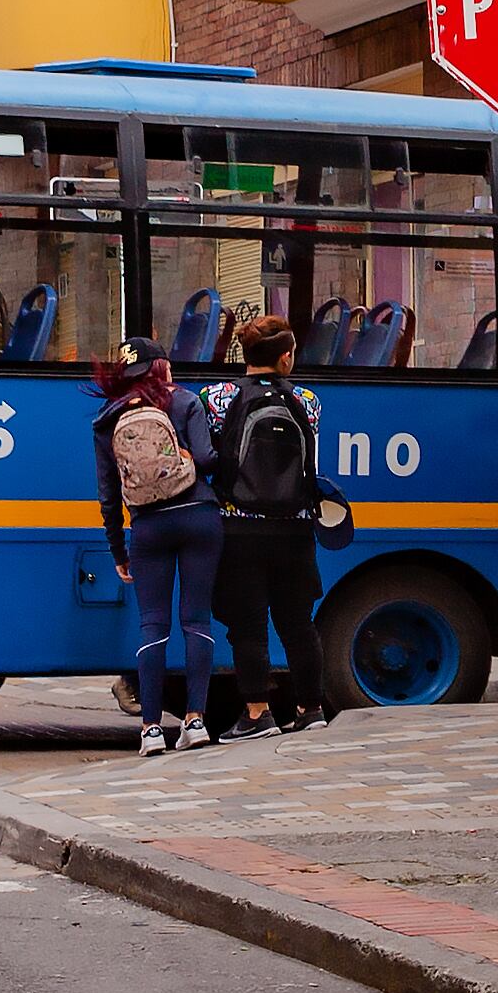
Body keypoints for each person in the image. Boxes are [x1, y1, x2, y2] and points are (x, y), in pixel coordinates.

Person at [203, 313, 334, 736]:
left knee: (247, 624)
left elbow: (209, 455)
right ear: (285, 358)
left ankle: (258, 713)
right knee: (298, 623)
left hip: (238, 529)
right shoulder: (307, 401)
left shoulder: (216, 397)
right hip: (294, 529)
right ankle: (310, 708)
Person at [91, 339, 222, 755]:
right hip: (199, 515)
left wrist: (117, 549)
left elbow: (109, 494)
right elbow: (207, 457)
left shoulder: (107, 419)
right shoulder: (185, 402)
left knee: (153, 623)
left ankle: (150, 729)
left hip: (148, 526)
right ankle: (196, 721)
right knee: (196, 620)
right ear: (162, 365)